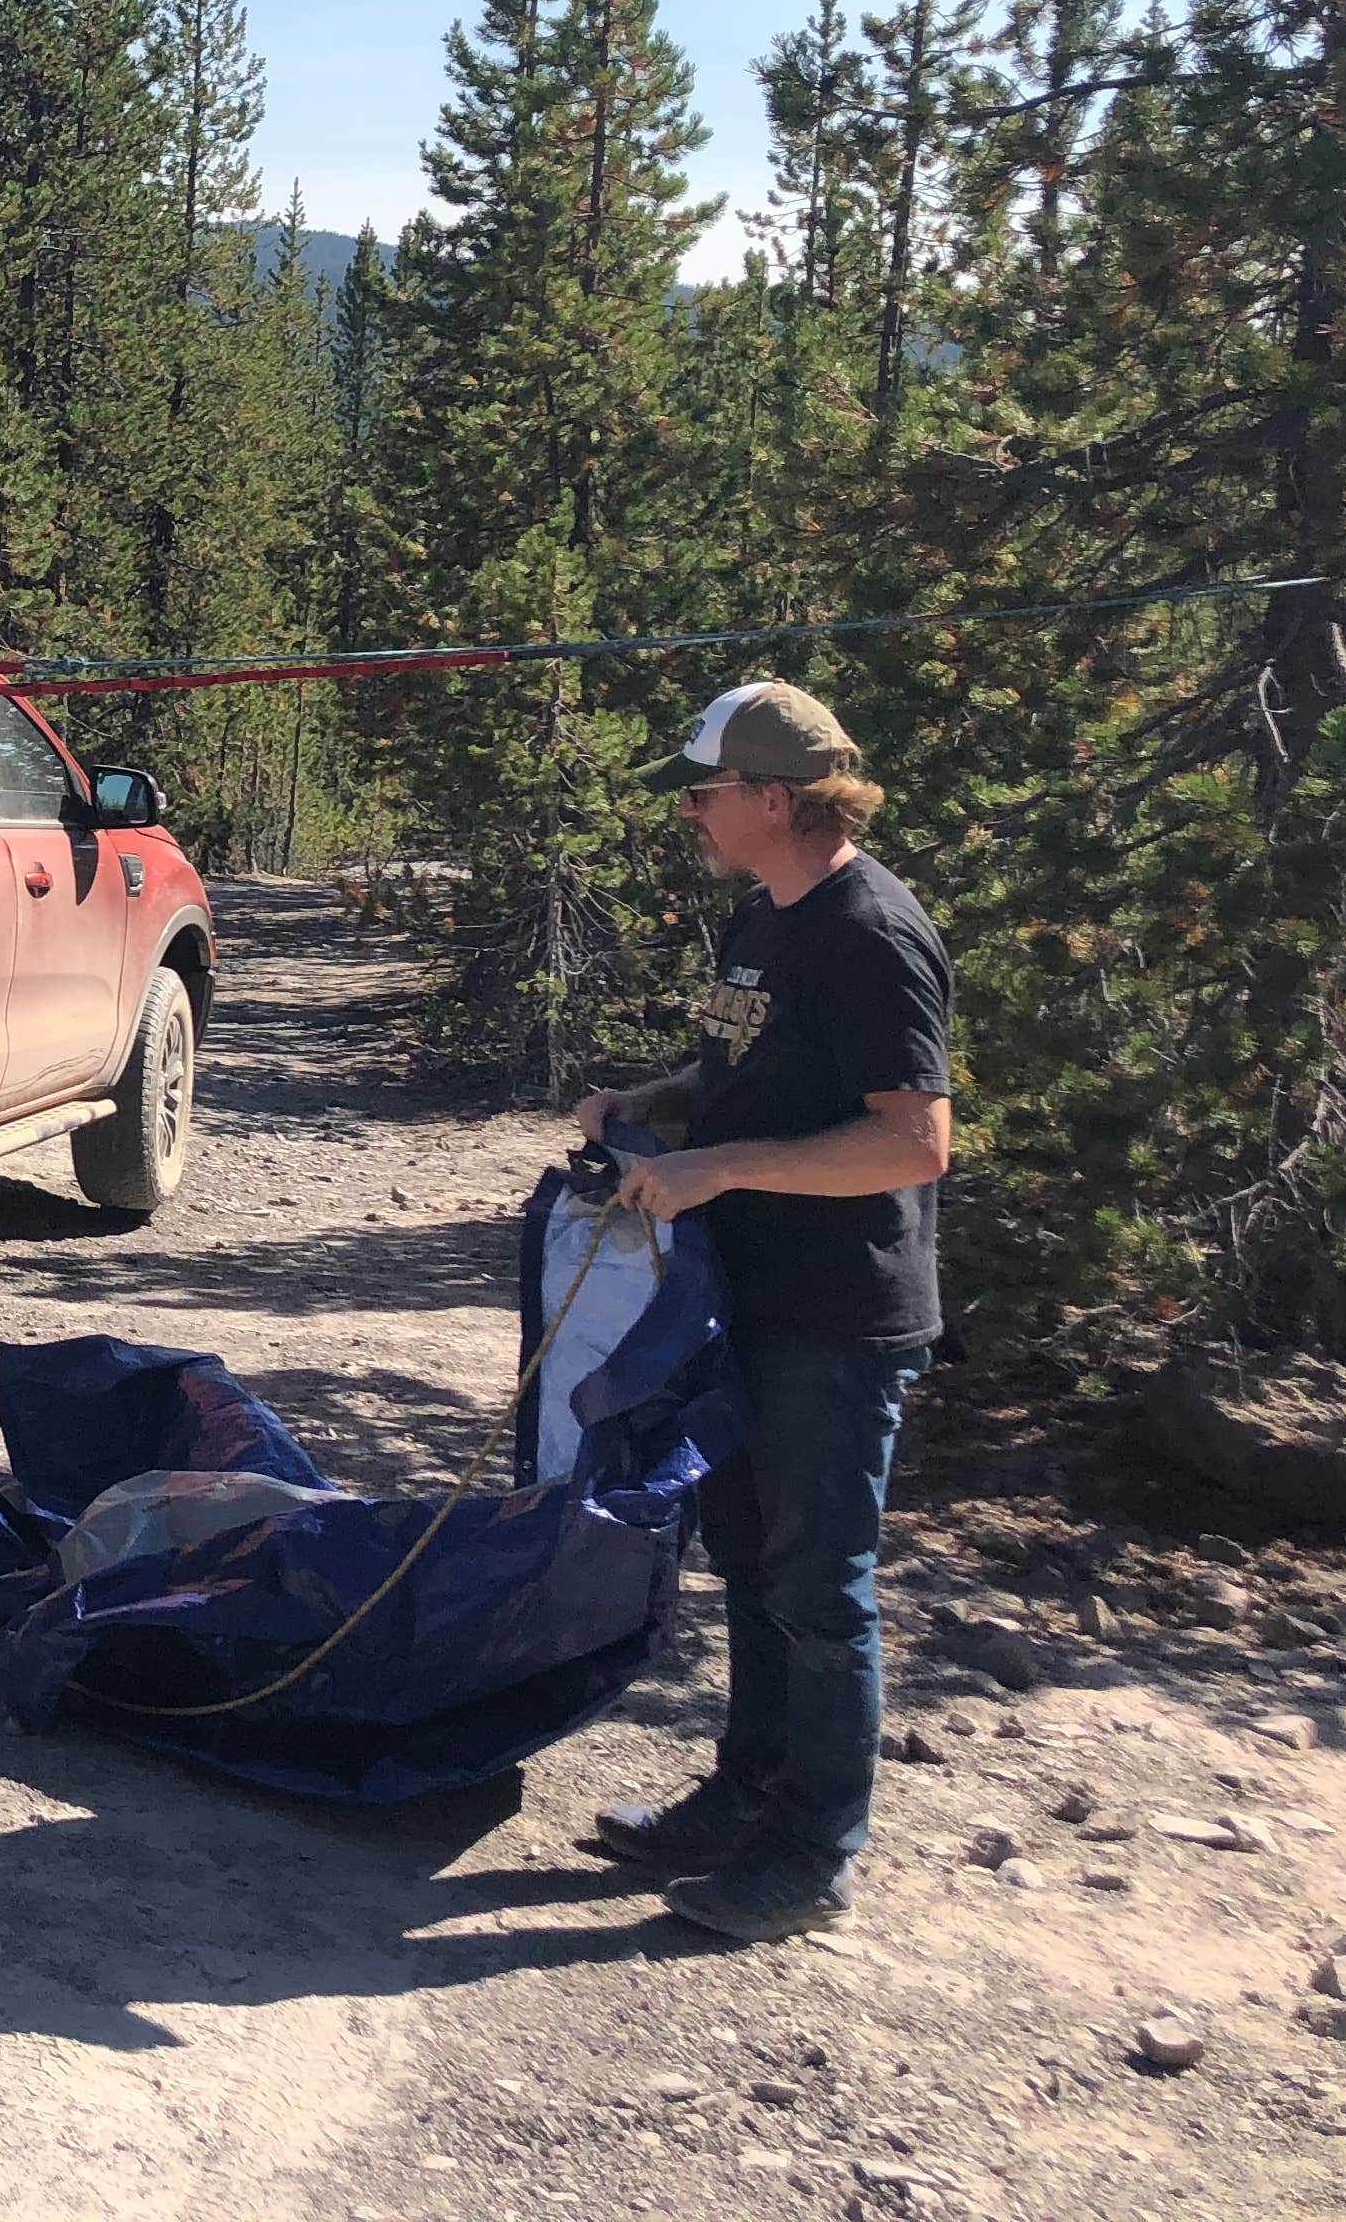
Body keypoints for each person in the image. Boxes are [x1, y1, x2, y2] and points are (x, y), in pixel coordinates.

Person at [573, 677, 955, 1943]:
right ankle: (746, 1796)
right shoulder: (763, 914)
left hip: (837, 1315)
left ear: (775, 800)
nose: (688, 811)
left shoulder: (868, 932)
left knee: (819, 1580)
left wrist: (720, 1168)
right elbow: (755, 1068)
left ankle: (810, 1850)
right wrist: (662, 1099)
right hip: (745, 1295)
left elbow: (912, 1143)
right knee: (746, 1556)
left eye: (704, 790)